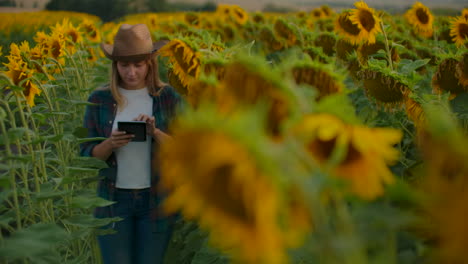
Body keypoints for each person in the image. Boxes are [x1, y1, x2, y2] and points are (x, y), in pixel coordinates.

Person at [80, 23, 181, 264]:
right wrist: (110, 144)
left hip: (155, 203)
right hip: (113, 203)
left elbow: (184, 152)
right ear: (115, 65)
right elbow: (85, 157)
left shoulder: (167, 98)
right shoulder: (100, 100)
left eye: (138, 65)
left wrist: (155, 132)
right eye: (125, 65)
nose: (132, 72)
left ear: (150, 64)